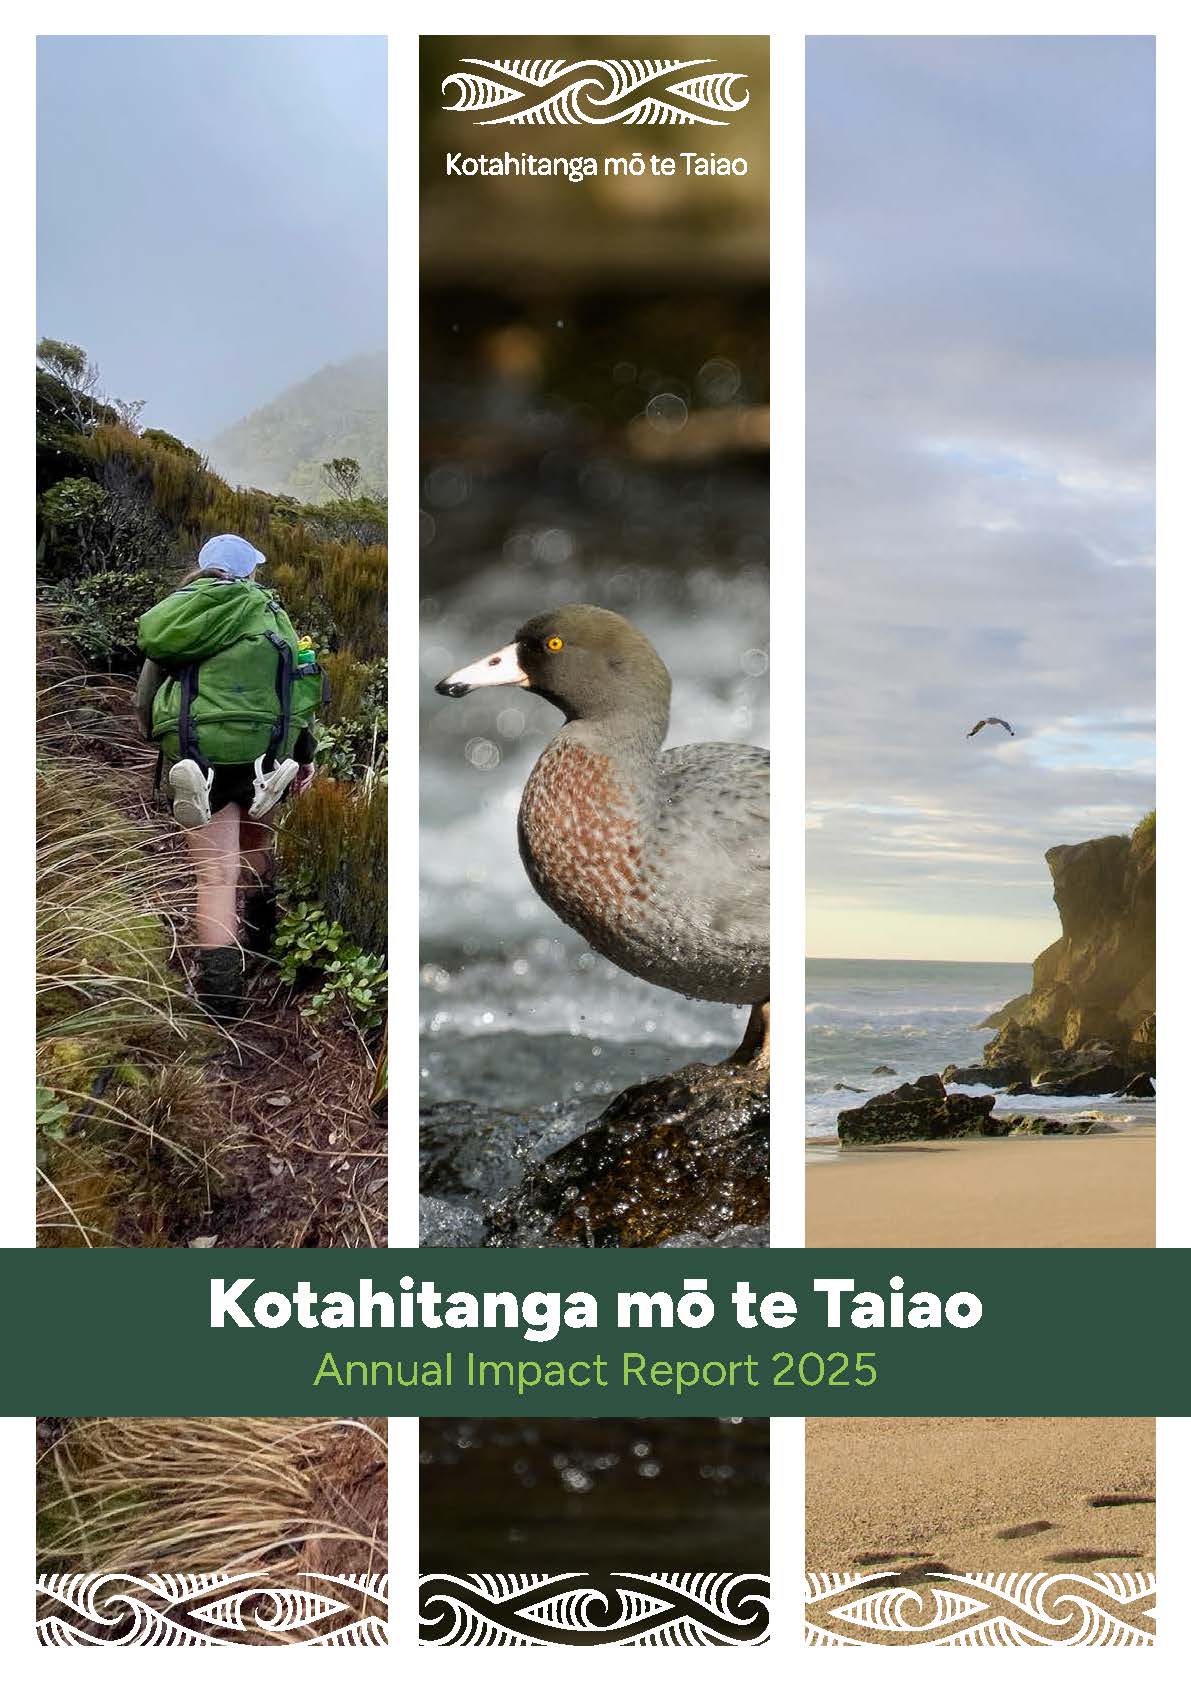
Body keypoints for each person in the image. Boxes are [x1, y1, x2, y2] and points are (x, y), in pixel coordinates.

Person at [134, 533, 327, 1019]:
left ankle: (223, 1004)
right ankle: (266, 947)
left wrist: (161, 740)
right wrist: (304, 756)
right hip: (265, 759)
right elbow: (296, 695)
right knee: (258, 847)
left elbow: (145, 697)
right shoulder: (272, 615)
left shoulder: (180, 616)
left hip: (198, 760)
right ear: (249, 572)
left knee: (215, 873)